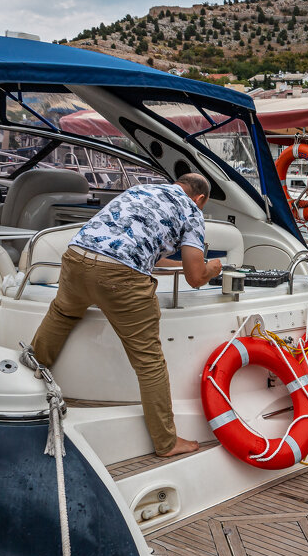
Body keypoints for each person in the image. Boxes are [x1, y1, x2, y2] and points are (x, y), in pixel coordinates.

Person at [23, 174, 223, 456]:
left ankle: (28, 377)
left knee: (63, 313)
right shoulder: (191, 210)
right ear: (200, 198)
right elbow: (195, 277)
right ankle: (166, 442)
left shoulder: (142, 190)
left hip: (78, 256)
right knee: (149, 360)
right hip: (119, 276)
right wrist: (213, 268)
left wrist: (177, 266)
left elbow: (136, 245)